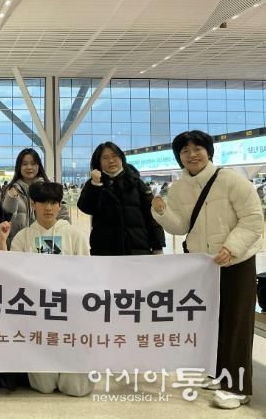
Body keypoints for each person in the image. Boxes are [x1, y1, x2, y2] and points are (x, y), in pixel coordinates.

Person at [151, 130, 263, 409]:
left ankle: (237, 387)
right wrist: (162, 212)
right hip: (204, 266)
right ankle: (218, 374)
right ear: (179, 157)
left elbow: (253, 219)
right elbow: (181, 227)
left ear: (209, 151)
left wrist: (232, 247)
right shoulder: (179, 188)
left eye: (197, 148)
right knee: (211, 322)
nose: (192, 155)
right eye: (185, 150)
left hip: (236, 263)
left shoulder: (231, 180)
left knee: (236, 324)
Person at [10, 182, 92, 396]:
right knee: (44, 385)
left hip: (69, 313)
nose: (48, 208)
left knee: (75, 388)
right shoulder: (23, 237)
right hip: (36, 315)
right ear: (33, 204)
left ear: (59, 206)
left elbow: (86, 274)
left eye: (53, 203)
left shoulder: (74, 235)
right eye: (43, 202)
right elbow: (13, 276)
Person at [77, 141, 165, 255]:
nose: (111, 161)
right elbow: (87, 208)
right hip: (105, 251)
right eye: (105, 158)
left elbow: (152, 217)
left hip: (137, 249)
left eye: (114, 156)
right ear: (98, 162)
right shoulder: (94, 184)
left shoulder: (136, 183)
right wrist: (95, 185)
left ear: (121, 158)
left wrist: (158, 245)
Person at [2, 148, 70, 245]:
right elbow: (4, 217)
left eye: (33, 164)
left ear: (39, 166)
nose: (29, 167)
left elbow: (62, 215)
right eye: (24, 164)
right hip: (16, 244)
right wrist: (11, 199)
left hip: (44, 243)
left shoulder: (49, 188)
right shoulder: (10, 190)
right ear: (19, 167)